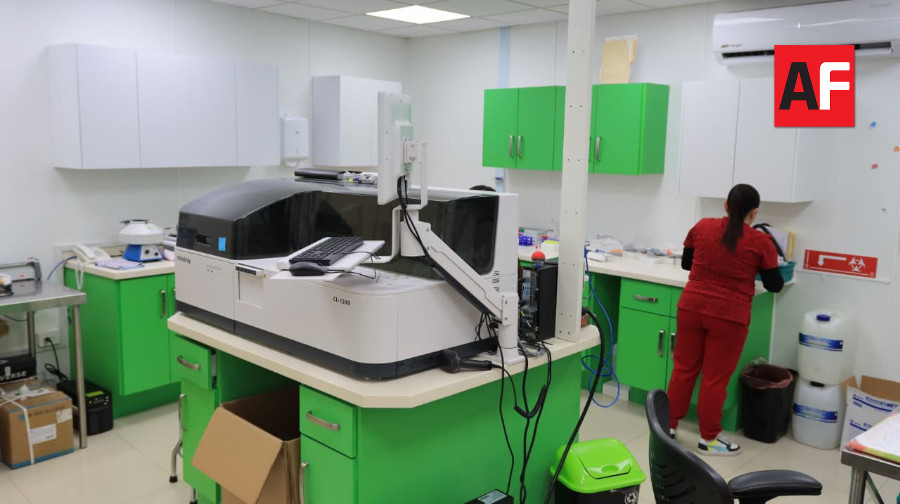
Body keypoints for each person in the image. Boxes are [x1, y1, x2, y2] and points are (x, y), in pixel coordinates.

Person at [667, 183, 784, 456]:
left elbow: (686, 263)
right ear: (754, 213)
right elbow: (775, 284)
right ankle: (709, 439)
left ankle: (668, 426)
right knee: (714, 379)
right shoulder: (760, 242)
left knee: (683, 369)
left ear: (725, 206)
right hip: (729, 317)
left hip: (692, 308)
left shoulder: (702, 227)